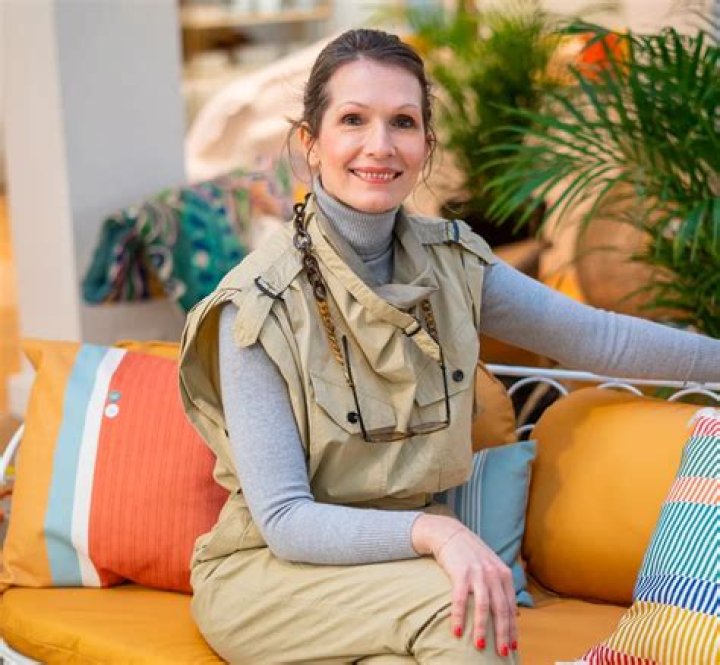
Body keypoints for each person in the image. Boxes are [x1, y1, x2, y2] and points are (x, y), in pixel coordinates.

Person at [179, 29, 720, 664]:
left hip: (395, 575)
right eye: (353, 119)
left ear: (426, 146)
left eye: (403, 122)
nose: (380, 145)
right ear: (310, 143)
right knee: (465, 612)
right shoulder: (256, 306)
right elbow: (286, 521)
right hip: (272, 577)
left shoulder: (454, 265)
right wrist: (437, 532)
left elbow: (598, 337)